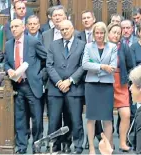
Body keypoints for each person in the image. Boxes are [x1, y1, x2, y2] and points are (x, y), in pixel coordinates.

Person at [4, 19, 47, 154]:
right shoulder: (9, 44)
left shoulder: (33, 42)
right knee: (20, 119)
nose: (14, 29)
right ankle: (21, 147)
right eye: (12, 27)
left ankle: (37, 146)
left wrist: (40, 76)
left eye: (16, 26)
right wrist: (8, 69)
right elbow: (5, 62)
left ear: (24, 27)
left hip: (32, 84)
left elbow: (47, 59)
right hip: (17, 86)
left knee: (37, 119)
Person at [46, 20, 85, 154]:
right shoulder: (53, 45)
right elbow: (49, 65)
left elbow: (82, 66)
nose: (65, 31)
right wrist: (59, 82)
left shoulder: (82, 45)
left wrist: (70, 81)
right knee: (54, 120)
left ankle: (77, 146)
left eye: (67, 29)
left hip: (74, 89)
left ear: (73, 29)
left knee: (75, 120)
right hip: (55, 89)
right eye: (62, 30)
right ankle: (53, 146)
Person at [82, 22, 117, 154]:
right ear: (93, 34)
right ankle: (91, 147)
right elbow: (85, 64)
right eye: (97, 33)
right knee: (91, 118)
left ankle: (106, 148)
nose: (99, 35)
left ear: (105, 34)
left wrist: (95, 66)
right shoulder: (88, 46)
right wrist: (102, 67)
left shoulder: (112, 47)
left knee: (107, 118)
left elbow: (112, 67)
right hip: (91, 85)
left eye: (102, 33)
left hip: (106, 86)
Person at [78, 10, 103, 150]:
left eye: (88, 17)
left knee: (96, 108)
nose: (86, 20)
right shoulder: (78, 36)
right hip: (82, 77)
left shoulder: (100, 35)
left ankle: (95, 136)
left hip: (98, 77)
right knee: (86, 110)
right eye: (84, 18)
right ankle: (93, 136)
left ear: (93, 19)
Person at [107, 23, 134, 152]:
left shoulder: (124, 47)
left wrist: (128, 80)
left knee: (126, 114)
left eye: (119, 32)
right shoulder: (102, 46)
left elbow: (131, 66)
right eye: (114, 32)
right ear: (108, 33)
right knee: (106, 116)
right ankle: (110, 143)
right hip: (106, 84)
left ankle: (123, 142)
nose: (116, 34)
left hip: (121, 83)